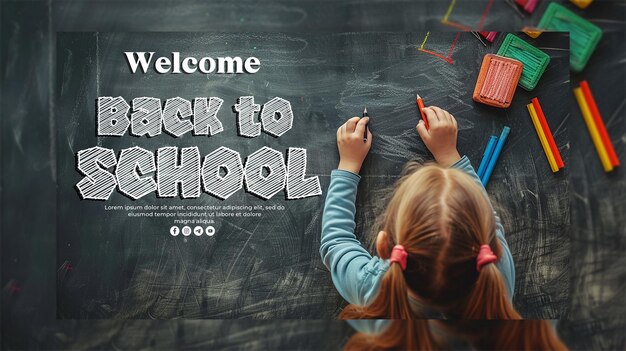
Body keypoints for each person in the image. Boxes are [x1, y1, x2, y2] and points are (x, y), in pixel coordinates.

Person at [320, 106, 567, 350]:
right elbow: (487, 216)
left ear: (384, 245)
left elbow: (336, 242)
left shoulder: (374, 287)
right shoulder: (496, 276)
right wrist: (449, 154)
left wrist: (348, 166)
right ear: (491, 247)